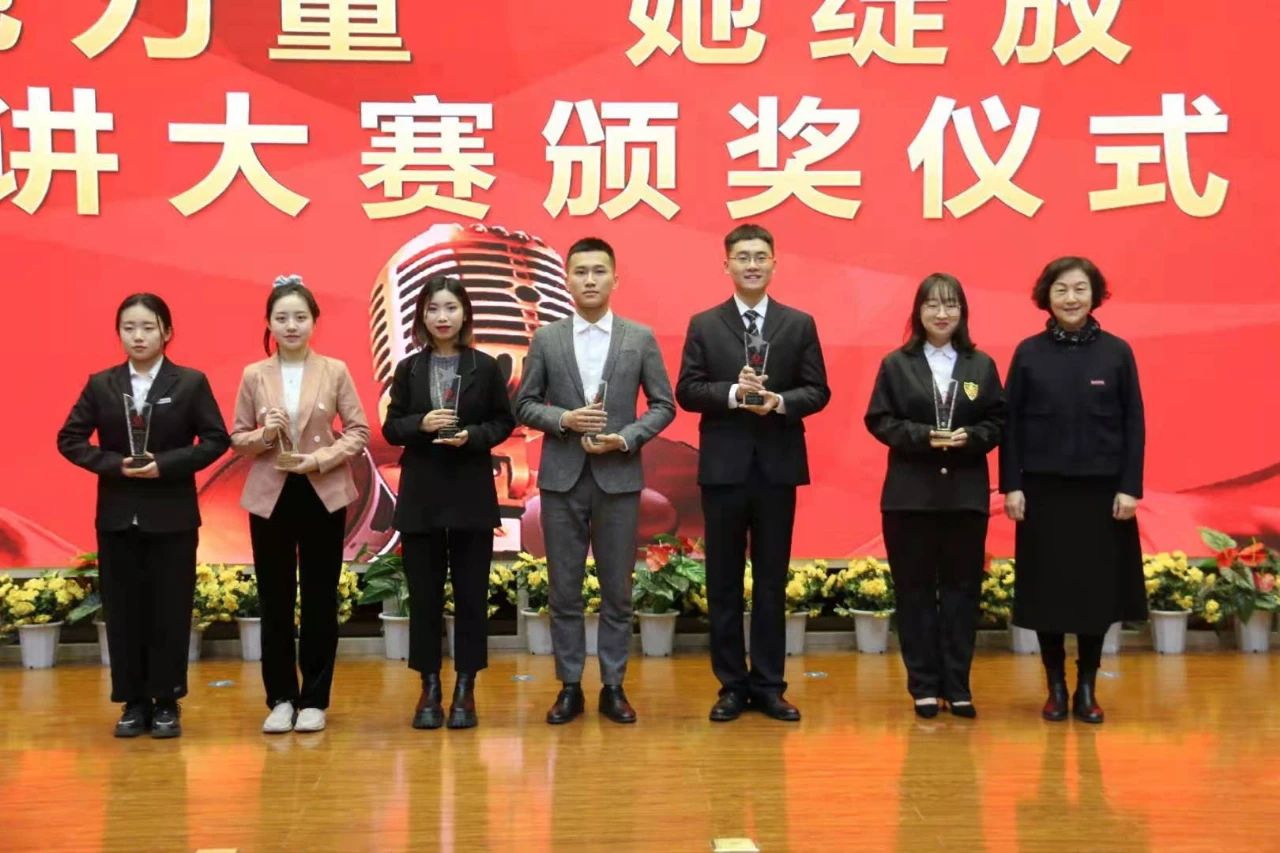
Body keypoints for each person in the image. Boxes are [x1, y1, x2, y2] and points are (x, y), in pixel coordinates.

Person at [515, 237, 675, 725]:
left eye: (599, 271)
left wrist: (625, 439)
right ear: (566, 279)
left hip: (619, 479)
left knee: (617, 590)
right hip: (561, 482)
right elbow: (525, 404)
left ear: (615, 279)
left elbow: (663, 405)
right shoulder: (547, 338)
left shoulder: (639, 337)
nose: (589, 280)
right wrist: (564, 420)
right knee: (563, 590)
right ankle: (569, 687)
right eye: (580, 271)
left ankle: (613, 686)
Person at [675, 223, 830, 723]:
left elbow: (818, 391)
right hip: (723, 470)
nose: (752, 265)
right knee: (722, 582)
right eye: (742, 257)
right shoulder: (705, 324)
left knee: (771, 582)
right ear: (726, 265)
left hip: (777, 469)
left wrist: (778, 401)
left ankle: (768, 685)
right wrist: (732, 393)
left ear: (774, 263)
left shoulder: (798, 323)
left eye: (760, 256)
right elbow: (687, 390)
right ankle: (730, 686)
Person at [57, 293, 229, 738]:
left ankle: (167, 700)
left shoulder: (189, 383)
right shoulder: (102, 384)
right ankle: (132, 702)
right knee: (123, 611)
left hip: (173, 516)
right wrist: (114, 464)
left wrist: (164, 465)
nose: (138, 336)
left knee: (170, 610)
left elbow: (216, 440)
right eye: (129, 327)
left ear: (166, 332)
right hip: (117, 517)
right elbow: (70, 439)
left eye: (148, 327)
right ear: (118, 333)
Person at [1000, 256, 1146, 724]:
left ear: (1094, 294)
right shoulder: (1028, 353)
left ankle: (1087, 687)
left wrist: (1130, 488)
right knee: (1048, 593)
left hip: (1101, 495)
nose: (1071, 298)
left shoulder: (1117, 352)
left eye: (1080, 289)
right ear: (1047, 296)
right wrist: (1011, 485)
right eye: (1061, 289)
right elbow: (1009, 425)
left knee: (1093, 595)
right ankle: (1055, 687)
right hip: (1042, 493)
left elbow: (1134, 424)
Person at [230, 275, 370, 734]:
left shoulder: (335, 370)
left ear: (314, 321)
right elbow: (237, 439)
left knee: (319, 598)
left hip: (321, 492)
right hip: (271, 496)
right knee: (274, 599)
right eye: (282, 317)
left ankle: (314, 699)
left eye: (300, 317)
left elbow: (359, 431)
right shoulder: (254, 374)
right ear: (269, 323)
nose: (291, 326)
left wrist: (319, 459)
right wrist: (264, 434)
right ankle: (280, 699)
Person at [864, 273, 1006, 719]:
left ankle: (957, 685)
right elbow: (879, 420)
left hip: (965, 497)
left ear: (962, 312)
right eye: (932, 305)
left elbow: (998, 421)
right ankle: (924, 686)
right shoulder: (896, 364)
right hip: (910, 498)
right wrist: (923, 436)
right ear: (918, 311)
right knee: (915, 593)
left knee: (963, 593)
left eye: (950, 305)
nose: (942, 313)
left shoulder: (980, 365)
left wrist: (973, 437)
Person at [382, 276, 516, 730]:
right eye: (433, 309)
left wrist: (471, 436)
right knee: (424, 598)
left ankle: (465, 687)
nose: (442, 317)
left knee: (471, 596)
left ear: (465, 314)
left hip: (470, 494)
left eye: (451, 308)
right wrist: (421, 424)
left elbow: (503, 422)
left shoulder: (485, 367)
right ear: (422, 315)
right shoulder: (409, 369)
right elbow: (391, 428)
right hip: (422, 495)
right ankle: (429, 687)